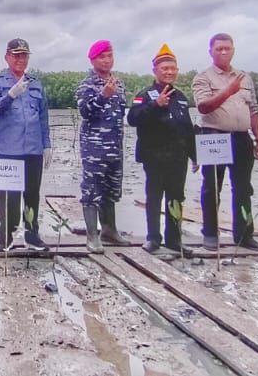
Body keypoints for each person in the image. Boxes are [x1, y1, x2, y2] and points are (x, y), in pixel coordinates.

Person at [192, 33, 258, 252]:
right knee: (211, 188)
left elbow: (253, 110)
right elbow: (203, 107)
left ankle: (244, 235)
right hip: (213, 135)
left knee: (244, 188)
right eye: (219, 49)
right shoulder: (202, 77)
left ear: (233, 50)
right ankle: (210, 234)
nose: (223, 52)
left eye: (227, 48)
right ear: (211, 52)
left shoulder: (244, 77)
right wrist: (227, 92)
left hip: (242, 137)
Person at [127, 44, 196, 256]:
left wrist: (195, 156)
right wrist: (156, 105)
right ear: (155, 71)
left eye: (172, 68)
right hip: (154, 156)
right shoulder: (144, 95)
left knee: (176, 198)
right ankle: (153, 239)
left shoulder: (182, 97)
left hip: (178, 157)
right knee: (155, 197)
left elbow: (187, 127)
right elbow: (133, 119)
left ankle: (174, 240)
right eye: (164, 68)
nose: (168, 72)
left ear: (177, 71)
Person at [0, 38, 52, 252]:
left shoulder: (36, 83)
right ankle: (5, 237)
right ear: (7, 57)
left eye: (24, 55)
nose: (20, 59)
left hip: (33, 148)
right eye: (16, 55)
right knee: (9, 197)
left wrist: (46, 145)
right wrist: (11, 94)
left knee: (32, 194)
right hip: (8, 149)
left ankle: (32, 236)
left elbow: (43, 117)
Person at [75, 40, 129, 254]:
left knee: (111, 187)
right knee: (92, 189)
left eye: (110, 55)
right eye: (102, 57)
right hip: (94, 147)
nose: (107, 60)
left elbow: (122, 111)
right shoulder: (86, 84)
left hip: (115, 145)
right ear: (93, 60)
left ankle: (110, 230)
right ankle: (92, 235)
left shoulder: (120, 83)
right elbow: (85, 113)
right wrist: (102, 96)